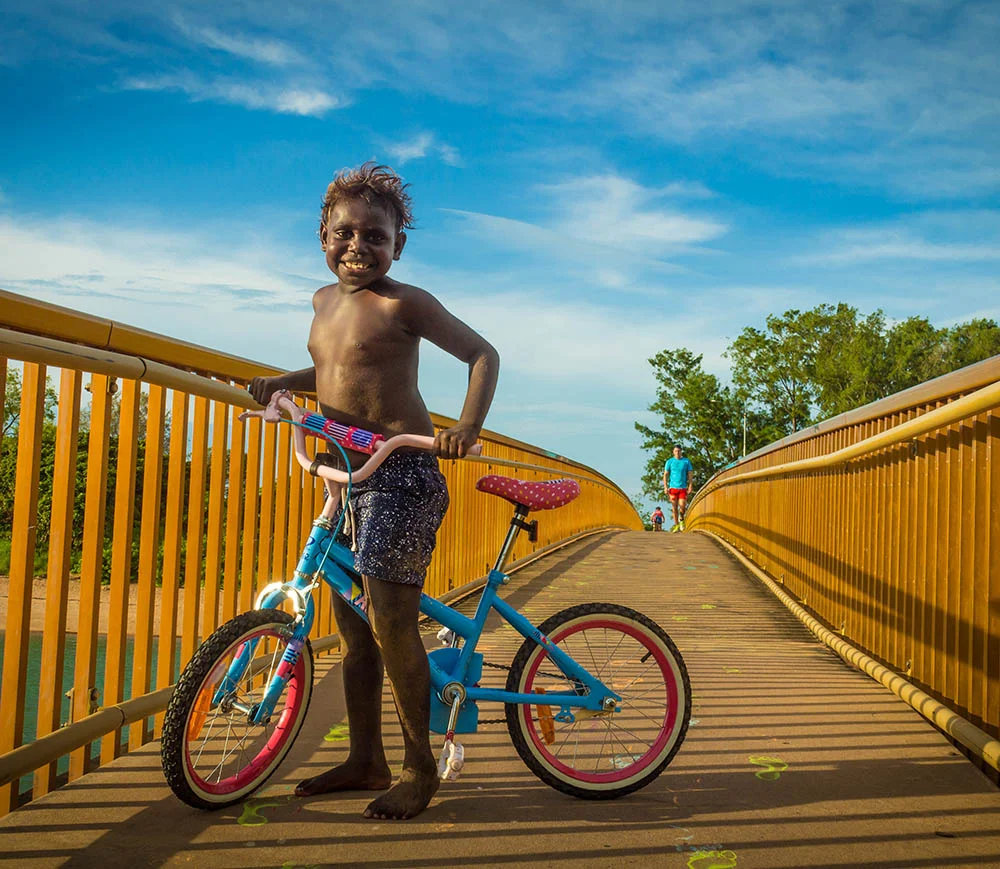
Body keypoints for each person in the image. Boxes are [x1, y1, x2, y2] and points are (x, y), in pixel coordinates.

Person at [249, 162, 499, 821]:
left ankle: (420, 767)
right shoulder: (322, 302)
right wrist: (288, 380)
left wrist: (464, 427)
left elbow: (482, 355)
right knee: (353, 632)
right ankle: (367, 757)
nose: (357, 246)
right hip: (347, 476)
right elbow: (341, 365)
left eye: (375, 237)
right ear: (321, 236)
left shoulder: (404, 302)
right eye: (343, 233)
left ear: (398, 246)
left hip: (401, 474)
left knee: (390, 623)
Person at [662, 445, 694, 531]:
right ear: (673, 452)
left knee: (682, 506)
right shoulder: (670, 462)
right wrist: (665, 487)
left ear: (681, 451)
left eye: (679, 451)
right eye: (676, 451)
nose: (677, 452)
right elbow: (665, 475)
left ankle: (681, 518)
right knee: (674, 507)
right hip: (673, 488)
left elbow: (690, 474)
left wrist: (690, 485)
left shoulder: (686, 461)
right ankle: (676, 525)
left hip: (683, 488)